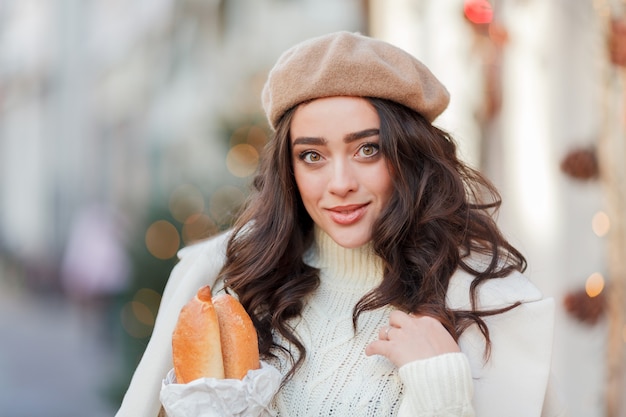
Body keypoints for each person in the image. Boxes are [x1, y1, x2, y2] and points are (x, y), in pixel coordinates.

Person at [115, 31, 566, 417]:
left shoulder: (490, 304)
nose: (339, 184)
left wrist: (442, 392)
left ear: (411, 156)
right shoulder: (231, 282)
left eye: (367, 149)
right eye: (312, 155)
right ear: (289, 170)